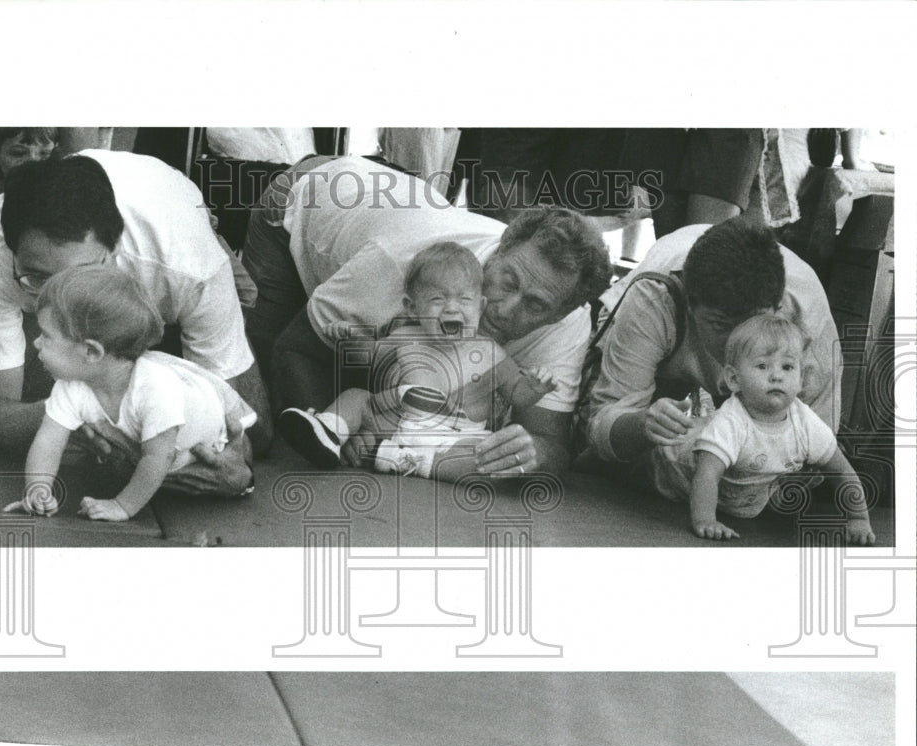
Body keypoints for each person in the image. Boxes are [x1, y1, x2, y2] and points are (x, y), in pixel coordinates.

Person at [242, 155, 612, 478]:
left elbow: (550, 442)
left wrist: (534, 454)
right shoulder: (405, 262)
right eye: (507, 281)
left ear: (561, 313)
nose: (504, 309)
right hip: (304, 195)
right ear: (499, 250)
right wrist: (339, 435)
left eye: (535, 305)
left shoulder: (569, 322)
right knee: (263, 413)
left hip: (389, 209)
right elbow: (294, 348)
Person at [0, 149, 272, 491]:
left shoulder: (187, 266)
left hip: (178, 219)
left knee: (261, 432)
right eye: (37, 278)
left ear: (115, 250)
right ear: (11, 251)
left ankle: (199, 339)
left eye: (84, 274)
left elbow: (238, 444)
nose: (66, 304)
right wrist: (77, 410)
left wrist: (231, 470)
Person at [585, 217, 841, 495]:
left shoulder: (806, 319)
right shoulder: (654, 299)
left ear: (777, 308)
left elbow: (817, 457)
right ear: (690, 305)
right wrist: (641, 424)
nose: (735, 342)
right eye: (720, 324)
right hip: (667, 334)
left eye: (751, 321)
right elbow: (601, 429)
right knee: (599, 463)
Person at [278, 242, 555, 477]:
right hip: (400, 423)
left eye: (464, 299)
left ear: (480, 306)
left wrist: (534, 387)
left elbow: (517, 394)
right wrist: (350, 339)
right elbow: (370, 357)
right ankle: (329, 430)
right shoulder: (406, 336)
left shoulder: (492, 353)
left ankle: (407, 461)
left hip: (454, 437)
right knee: (356, 398)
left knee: (487, 457)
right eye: (437, 299)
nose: (452, 307)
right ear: (413, 308)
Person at [4, 267, 256, 521]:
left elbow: (160, 456)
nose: (36, 342)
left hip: (210, 438)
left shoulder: (155, 387)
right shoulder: (72, 385)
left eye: (46, 336)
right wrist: (38, 490)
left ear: (91, 352)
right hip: (155, 451)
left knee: (173, 455)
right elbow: (48, 441)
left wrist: (122, 506)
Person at [688, 314, 874, 544]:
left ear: (801, 379)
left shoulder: (804, 422)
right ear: (734, 379)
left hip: (741, 502)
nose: (776, 376)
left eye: (787, 367)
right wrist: (705, 519)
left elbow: (841, 471)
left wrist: (858, 517)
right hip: (678, 476)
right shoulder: (732, 421)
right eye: (762, 366)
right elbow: (707, 474)